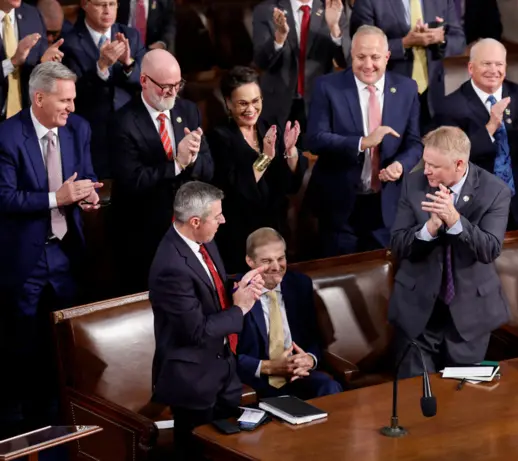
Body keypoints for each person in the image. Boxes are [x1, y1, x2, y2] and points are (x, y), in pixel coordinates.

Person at [0, 62, 101, 439]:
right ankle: (19, 430)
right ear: (39, 98)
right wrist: (54, 198)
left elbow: (87, 176)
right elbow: (4, 197)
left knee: (64, 343)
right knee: (21, 345)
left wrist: (88, 195)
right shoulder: (7, 137)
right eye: (65, 100)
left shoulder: (79, 128)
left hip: (66, 252)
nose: (71, 108)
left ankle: (62, 419)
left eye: (73, 99)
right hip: (22, 258)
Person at [149, 181, 266, 461]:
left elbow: (214, 288)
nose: (223, 220)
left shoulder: (203, 242)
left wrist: (241, 286)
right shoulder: (170, 267)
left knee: (230, 452)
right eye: (217, 216)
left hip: (222, 372)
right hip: (193, 383)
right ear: (195, 221)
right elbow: (197, 332)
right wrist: (241, 308)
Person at [389, 126, 511, 377]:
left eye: (434, 166)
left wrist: (455, 220)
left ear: (458, 164)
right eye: (426, 162)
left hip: (470, 317)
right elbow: (398, 244)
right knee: (415, 398)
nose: (427, 170)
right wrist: (430, 228)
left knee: (463, 404)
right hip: (418, 312)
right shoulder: (413, 184)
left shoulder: (495, 191)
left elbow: (489, 249)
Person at [305, 25, 422, 257]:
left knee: (382, 280)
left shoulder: (407, 88)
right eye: (361, 57)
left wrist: (401, 165)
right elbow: (315, 140)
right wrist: (362, 142)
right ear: (351, 55)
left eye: (375, 57)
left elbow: (415, 142)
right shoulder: (327, 86)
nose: (368, 65)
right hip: (339, 207)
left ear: (387, 57)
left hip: (386, 205)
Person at [110, 48, 213, 294]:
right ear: (143, 80)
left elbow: (209, 169)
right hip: (143, 234)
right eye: (165, 86)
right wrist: (177, 164)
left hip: (187, 228)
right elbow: (132, 181)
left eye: (177, 85)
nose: (172, 92)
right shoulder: (123, 122)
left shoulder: (188, 111)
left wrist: (193, 158)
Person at [434, 38, 518, 230]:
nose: (493, 70)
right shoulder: (451, 106)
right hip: (476, 208)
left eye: (499, 64)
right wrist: (490, 126)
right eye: (486, 64)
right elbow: (452, 160)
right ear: (471, 68)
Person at [209, 66, 306, 274]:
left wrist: (290, 152)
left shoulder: (269, 127)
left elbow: (291, 185)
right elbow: (234, 189)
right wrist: (265, 158)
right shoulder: (218, 137)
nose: (250, 109)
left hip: (276, 230)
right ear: (228, 102)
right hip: (241, 235)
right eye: (242, 103)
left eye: (255, 101)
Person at [237, 227, 343, 399]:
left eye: (281, 258)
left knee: (329, 387)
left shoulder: (300, 285)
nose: (276, 267)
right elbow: (227, 355)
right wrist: (269, 367)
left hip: (296, 376)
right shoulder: (235, 291)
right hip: (256, 380)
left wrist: (309, 359)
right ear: (250, 261)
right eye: (267, 261)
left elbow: (315, 338)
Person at [350, 0, 465, 133]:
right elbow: (359, 48)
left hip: (432, 95)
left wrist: (441, 40)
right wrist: (404, 43)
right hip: (390, 94)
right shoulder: (369, 2)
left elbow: (459, 41)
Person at [61, 0, 146, 178]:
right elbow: (72, 93)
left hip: (129, 128)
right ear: (84, 5)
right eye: (101, 4)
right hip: (93, 130)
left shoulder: (130, 35)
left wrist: (128, 64)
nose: (107, 11)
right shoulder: (69, 42)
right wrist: (101, 68)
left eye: (112, 4)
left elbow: (145, 80)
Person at [252, 0, 350, 134]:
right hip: (278, 103)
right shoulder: (266, 10)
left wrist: (334, 28)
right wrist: (279, 38)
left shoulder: (332, 8)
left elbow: (345, 61)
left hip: (319, 102)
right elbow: (261, 62)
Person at [0, 0, 64, 120]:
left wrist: (44, 63)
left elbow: (35, 72)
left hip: (25, 118)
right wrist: (12, 62)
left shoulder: (32, 15)